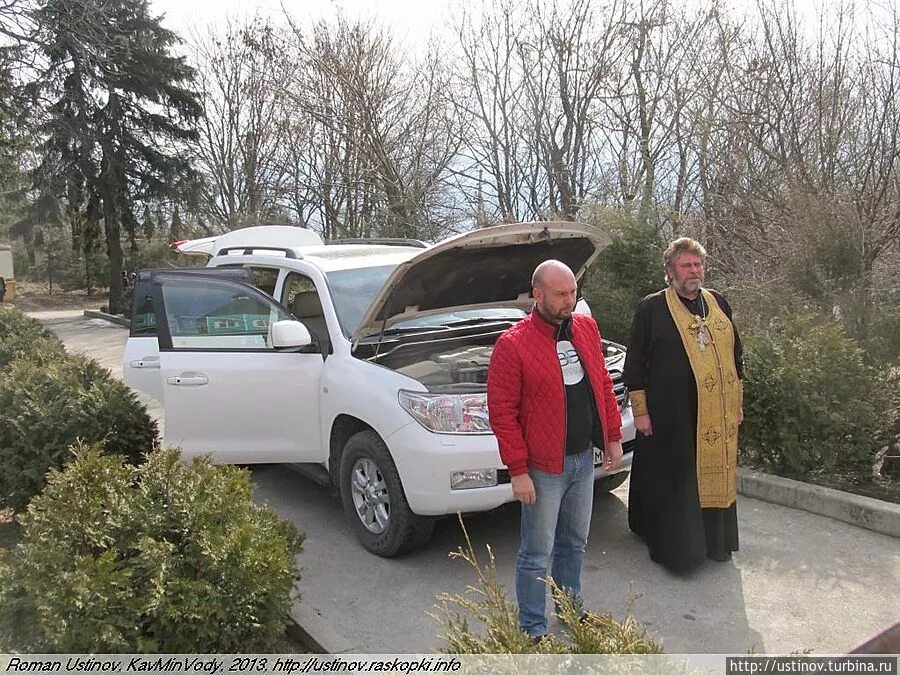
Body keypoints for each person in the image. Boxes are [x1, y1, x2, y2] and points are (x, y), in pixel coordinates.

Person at [487, 259, 624, 640]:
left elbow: (602, 386)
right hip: (544, 468)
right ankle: (532, 627)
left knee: (574, 543)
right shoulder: (512, 345)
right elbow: (501, 413)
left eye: (573, 293)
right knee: (537, 552)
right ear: (538, 294)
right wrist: (517, 470)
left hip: (582, 460)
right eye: (561, 294)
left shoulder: (586, 328)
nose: (569, 301)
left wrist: (611, 437)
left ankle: (570, 610)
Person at [623, 237, 743, 572]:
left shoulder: (717, 303)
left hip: (716, 412)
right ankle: (680, 551)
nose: (694, 271)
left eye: (698, 264)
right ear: (670, 271)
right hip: (672, 413)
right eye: (686, 265)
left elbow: (736, 355)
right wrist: (641, 412)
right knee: (678, 478)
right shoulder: (652, 308)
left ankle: (716, 544)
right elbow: (635, 364)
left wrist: (737, 403)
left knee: (714, 475)